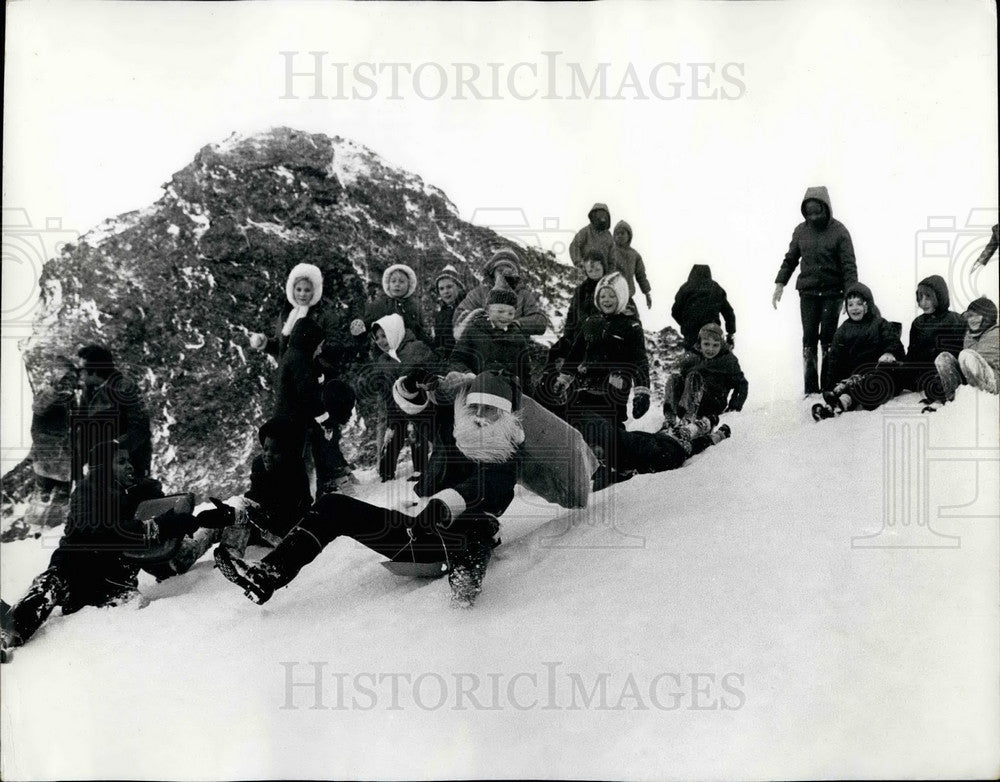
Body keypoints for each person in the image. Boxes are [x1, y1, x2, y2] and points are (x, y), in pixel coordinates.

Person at [215, 370, 526, 609]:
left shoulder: (506, 452)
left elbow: (488, 488)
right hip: (418, 534)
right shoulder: (456, 430)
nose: (482, 417)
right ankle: (267, 574)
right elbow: (414, 408)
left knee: (478, 527)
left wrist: (444, 504)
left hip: (455, 539)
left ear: (507, 416)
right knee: (334, 506)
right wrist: (413, 384)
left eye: (492, 411)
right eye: (477, 408)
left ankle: (466, 583)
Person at [1, 442, 203, 660]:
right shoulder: (87, 493)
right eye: (121, 461)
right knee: (48, 587)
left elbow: (147, 548)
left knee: (136, 613)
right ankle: (8, 635)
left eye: (129, 461)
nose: (130, 467)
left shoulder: (130, 496)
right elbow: (103, 534)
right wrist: (159, 525)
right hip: (74, 572)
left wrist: (158, 503)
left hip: (113, 583)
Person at [248, 262, 359, 492]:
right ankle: (305, 484)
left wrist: (317, 367)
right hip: (296, 383)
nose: (302, 294)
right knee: (300, 435)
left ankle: (332, 477)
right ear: (291, 290)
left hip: (316, 380)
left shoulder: (323, 316)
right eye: (298, 289)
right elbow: (285, 350)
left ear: (315, 291)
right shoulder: (287, 315)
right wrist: (266, 344)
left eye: (307, 290)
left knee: (322, 432)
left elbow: (330, 347)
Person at [552, 272, 650, 483]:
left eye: (612, 296)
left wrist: (642, 392)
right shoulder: (590, 322)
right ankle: (590, 466)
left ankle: (619, 465)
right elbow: (575, 354)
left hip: (614, 388)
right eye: (603, 296)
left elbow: (640, 362)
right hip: (584, 385)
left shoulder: (631, 327)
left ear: (622, 298)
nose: (606, 300)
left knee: (610, 426)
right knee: (582, 423)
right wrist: (563, 379)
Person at [772, 186, 858, 393]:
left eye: (817, 212)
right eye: (809, 213)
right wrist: (780, 284)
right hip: (808, 293)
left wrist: (850, 294)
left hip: (832, 293)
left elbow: (849, 266)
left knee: (828, 337)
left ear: (826, 208)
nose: (813, 216)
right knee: (809, 337)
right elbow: (790, 259)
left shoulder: (839, 231)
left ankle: (828, 385)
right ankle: (810, 389)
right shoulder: (801, 231)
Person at [810, 283, 905, 420]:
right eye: (850, 304)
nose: (854, 308)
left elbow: (893, 341)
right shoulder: (844, 329)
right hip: (855, 378)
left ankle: (846, 398)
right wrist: (829, 385)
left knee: (874, 382)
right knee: (851, 386)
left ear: (868, 305)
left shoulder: (879, 324)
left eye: (859, 304)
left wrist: (889, 353)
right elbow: (835, 358)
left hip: (879, 373)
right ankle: (836, 405)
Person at [361, 314, 436, 482]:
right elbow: (384, 388)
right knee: (393, 432)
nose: (381, 341)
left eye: (384, 335)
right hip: (395, 405)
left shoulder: (415, 348)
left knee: (418, 431)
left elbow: (428, 370)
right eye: (377, 337)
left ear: (395, 332)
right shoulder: (383, 360)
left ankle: (421, 468)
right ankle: (386, 472)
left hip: (418, 403)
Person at [72, 344, 152, 485]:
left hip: (129, 463)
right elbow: (82, 428)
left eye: (81, 370)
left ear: (95, 370)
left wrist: (114, 447)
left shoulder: (126, 388)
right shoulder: (88, 390)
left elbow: (141, 429)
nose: (78, 374)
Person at [537, 249, 607, 409]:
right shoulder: (581, 290)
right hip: (576, 338)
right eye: (590, 270)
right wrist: (568, 337)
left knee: (582, 368)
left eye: (597, 269)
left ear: (604, 267)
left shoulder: (608, 290)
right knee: (555, 352)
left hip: (597, 343)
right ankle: (549, 393)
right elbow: (571, 317)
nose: (593, 273)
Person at [449, 285, 534, 393]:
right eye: (500, 311)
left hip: (506, 394)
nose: (505, 317)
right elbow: (456, 359)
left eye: (510, 313)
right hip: (475, 390)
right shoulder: (474, 331)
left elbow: (525, 373)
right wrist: (467, 374)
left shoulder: (518, 338)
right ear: (488, 311)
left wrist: (527, 395)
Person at [662, 323, 748, 424]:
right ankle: (670, 419)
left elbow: (742, 384)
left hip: (713, 403)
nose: (710, 349)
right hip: (687, 402)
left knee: (694, 376)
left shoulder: (727, 360)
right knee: (674, 378)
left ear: (722, 345)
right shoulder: (693, 357)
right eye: (706, 344)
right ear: (700, 343)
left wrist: (734, 408)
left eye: (715, 345)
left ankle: (689, 419)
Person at [453, 248, 550, 337]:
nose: (505, 274)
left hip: (514, 346)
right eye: (500, 271)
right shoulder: (479, 293)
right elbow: (460, 315)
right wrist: (486, 323)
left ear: (516, 273)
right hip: (483, 347)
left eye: (510, 271)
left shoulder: (524, 295)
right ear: (492, 272)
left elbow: (540, 321)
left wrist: (516, 324)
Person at [931, 296, 999, 405]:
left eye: (976, 316)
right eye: (969, 316)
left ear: (988, 317)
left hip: (993, 382)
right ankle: (953, 401)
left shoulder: (996, 333)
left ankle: (982, 401)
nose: (972, 320)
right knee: (943, 358)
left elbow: (978, 360)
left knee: (966, 355)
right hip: (972, 379)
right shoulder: (969, 335)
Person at [29, 357, 77, 502]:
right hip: (46, 447)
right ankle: (45, 493)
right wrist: (55, 391)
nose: (68, 382)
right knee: (44, 487)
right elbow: (38, 408)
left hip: (62, 451)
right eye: (65, 377)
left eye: (71, 378)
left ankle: (59, 496)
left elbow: (73, 419)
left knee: (62, 489)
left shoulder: (69, 396)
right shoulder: (46, 391)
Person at [352, 263, 429, 345]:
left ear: (409, 285)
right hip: (385, 351)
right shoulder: (380, 305)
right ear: (388, 284)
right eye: (393, 281)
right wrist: (359, 330)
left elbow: (420, 331)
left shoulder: (414, 306)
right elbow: (366, 326)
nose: (397, 284)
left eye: (402, 281)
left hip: (409, 350)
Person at [671, 264, 737, 352]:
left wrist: (686, 324)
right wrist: (730, 334)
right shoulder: (716, 288)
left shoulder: (685, 288)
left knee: (691, 358)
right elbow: (729, 313)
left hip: (691, 332)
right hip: (711, 330)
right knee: (713, 359)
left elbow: (675, 311)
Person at [611, 220, 652, 310]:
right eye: (617, 234)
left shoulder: (635, 255)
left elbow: (641, 276)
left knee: (633, 321)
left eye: (622, 233)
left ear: (629, 235)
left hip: (627, 297)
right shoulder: (609, 251)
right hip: (610, 295)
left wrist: (647, 293)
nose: (619, 236)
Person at [431, 265, 465, 359]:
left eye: (449, 287)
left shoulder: (466, 307)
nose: (445, 291)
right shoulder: (441, 314)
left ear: (459, 287)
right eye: (441, 289)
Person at [569, 203, 616, 271]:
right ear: (593, 216)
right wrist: (578, 262)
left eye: (604, 215)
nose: (602, 217)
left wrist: (610, 273)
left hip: (602, 274)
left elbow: (612, 259)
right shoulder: (586, 231)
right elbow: (574, 246)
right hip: (587, 270)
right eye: (598, 214)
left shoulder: (608, 236)